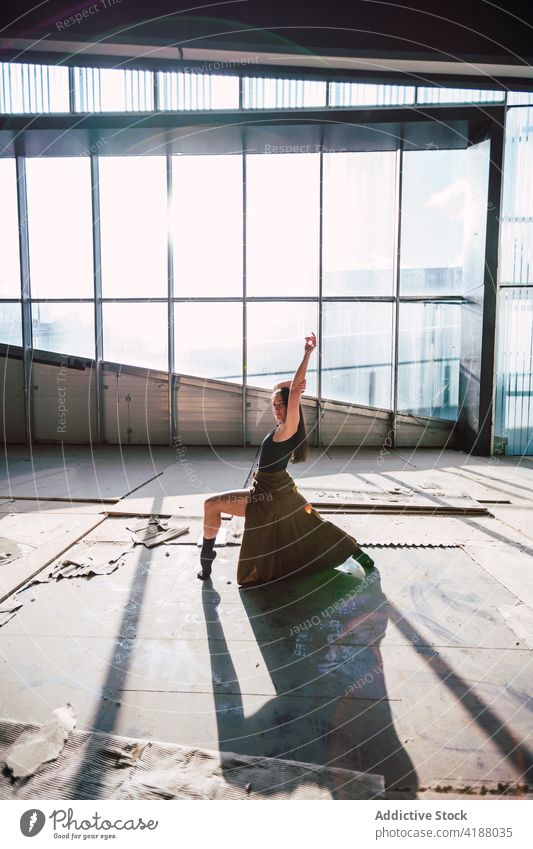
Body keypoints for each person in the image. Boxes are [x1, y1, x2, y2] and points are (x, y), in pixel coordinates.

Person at [197, 331, 375, 583]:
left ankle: (206, 563)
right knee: (313, 525)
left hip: (269, 497)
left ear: (291, 405)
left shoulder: (289, 427)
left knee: (211, 505)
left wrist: (306, 356)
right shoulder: (282, 428)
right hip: (272, 491)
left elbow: (293, 395)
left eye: (282, 404)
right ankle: (358, 555)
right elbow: (282, 389)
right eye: (274, 405)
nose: (278, 409)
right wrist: (288, 386)